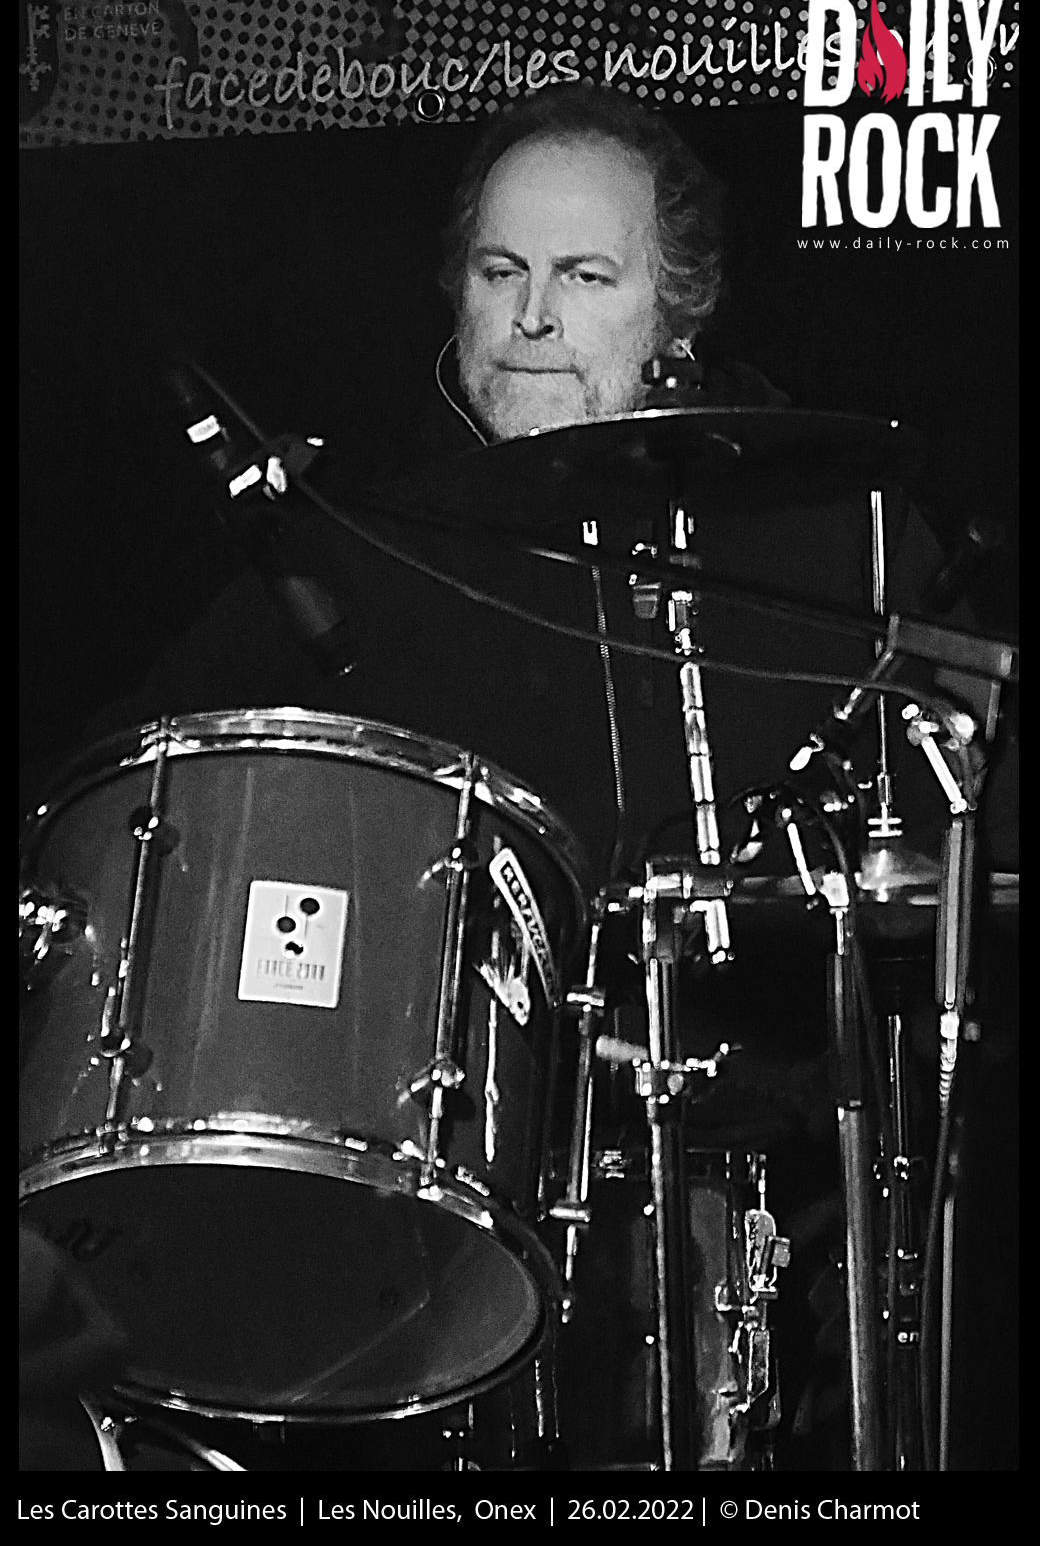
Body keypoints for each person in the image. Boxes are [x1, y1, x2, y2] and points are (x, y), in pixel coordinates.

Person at [21, 85, 1015, 1470]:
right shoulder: (354, 555)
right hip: (425, 1232)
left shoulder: (825, 543)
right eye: (502, 273)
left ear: (674, 313)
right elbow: (113, 791)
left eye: (586, 277)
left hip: (776, 1202)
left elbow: (957, 855)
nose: (533, 317)